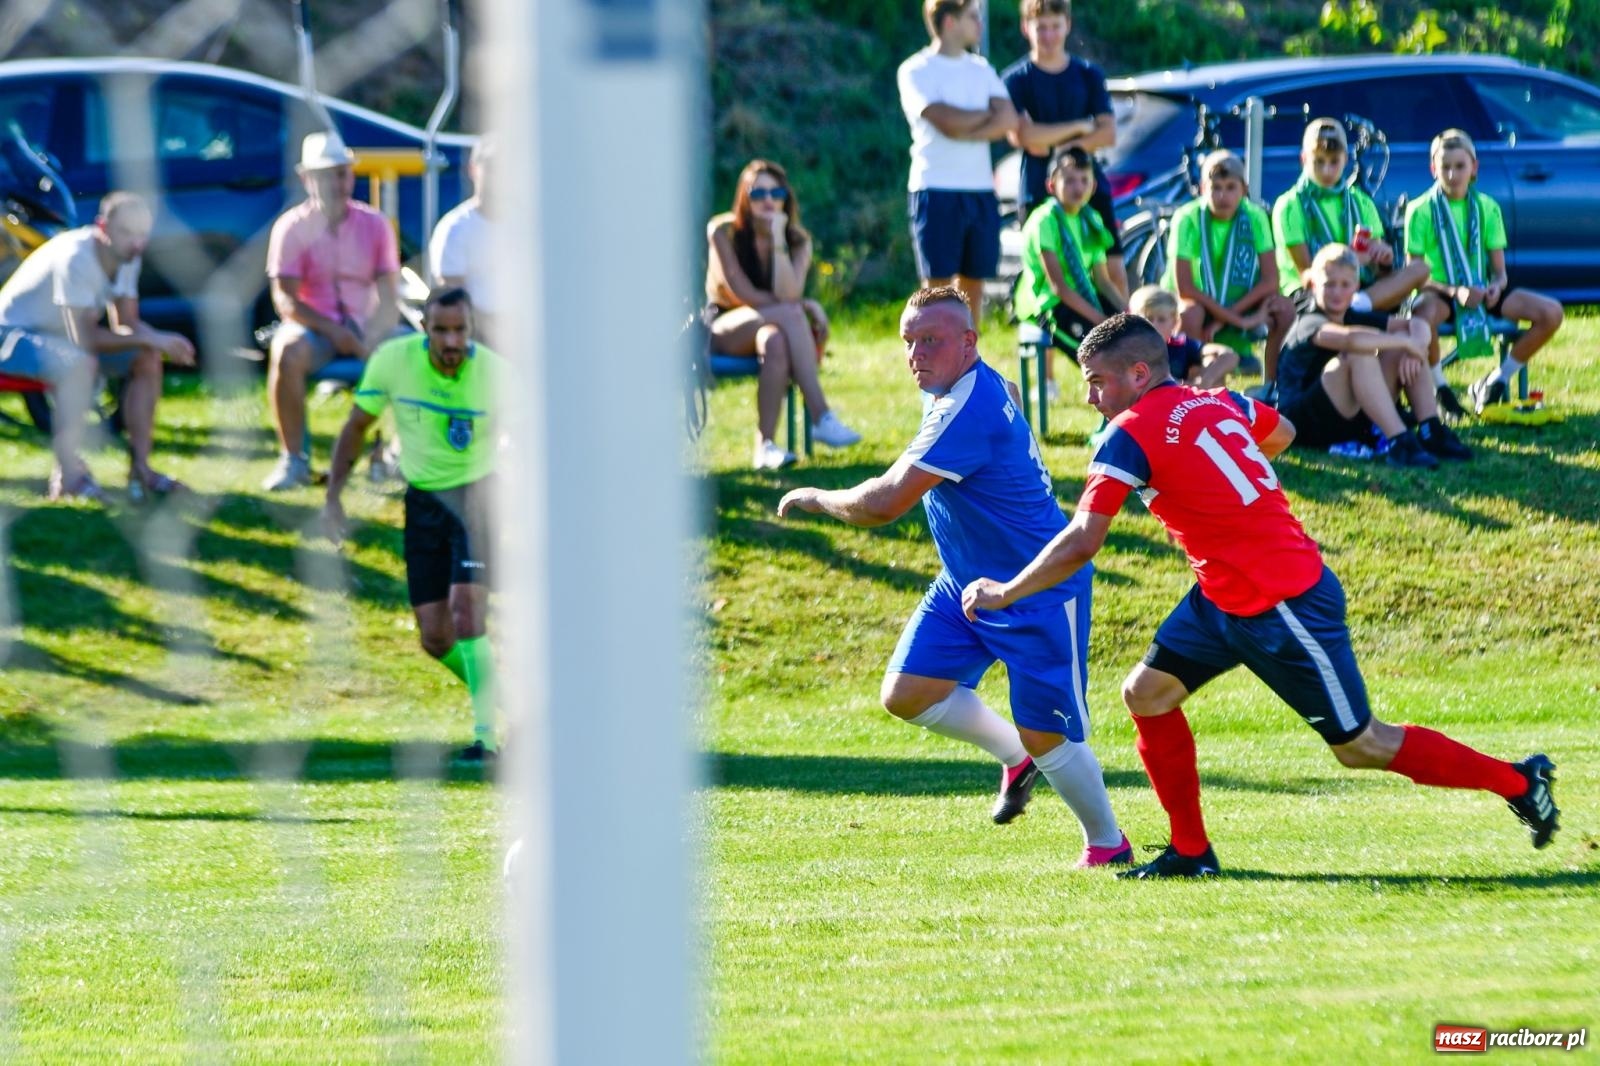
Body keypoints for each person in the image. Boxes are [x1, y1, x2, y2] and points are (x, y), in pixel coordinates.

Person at [960, 313, 1558, 879]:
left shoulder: (1127, 434)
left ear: (1138, 375)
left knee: (1361, 745)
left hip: (1284, 602)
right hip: (1221, 593)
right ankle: (1191, 851)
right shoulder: (1220, 399)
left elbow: (1081, 541)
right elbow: (1285, 432)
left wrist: (1007, 590)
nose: (1093, 397)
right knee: (1146, 694)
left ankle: (1519, 782)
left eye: (1096, 382)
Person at [776, 287, 1131, 868]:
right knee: (908, 692)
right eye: (909, 342)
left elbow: (884, 503)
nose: (917, 354)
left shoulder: (965, 407)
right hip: (965, 581)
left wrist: (816, 496)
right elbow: (1008, 394)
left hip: (1037, 586)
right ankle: (1016, 755)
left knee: (1052, 733)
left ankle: (1107, 842)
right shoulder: (963, 386)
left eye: (931, 341)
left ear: (970, 342)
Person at [321, 287, 502, 762]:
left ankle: (488, 736)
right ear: (424, 329)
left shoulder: (498, 375)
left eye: (460, 329)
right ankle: (508, 696)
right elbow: (357, 426)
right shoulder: (393, 362)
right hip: (423, 503)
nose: (451, 340)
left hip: (478, 496)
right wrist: (333, 496)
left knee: (466, 613)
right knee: (435, 636)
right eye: (441, 330)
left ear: (472, 329)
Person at [0, 191, 195, 501]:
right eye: (126, 232)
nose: (135, 242)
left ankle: (142, 471)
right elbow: (85, 340)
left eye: (142, 234)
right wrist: (152, 337)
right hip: (10, 337)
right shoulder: (76, 256)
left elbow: (126, 323)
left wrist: (157, 341)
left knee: (146, 357)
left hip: (59, 341)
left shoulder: (127, 256)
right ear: (103, 227)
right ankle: (67, 476)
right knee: (79, 363)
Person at [262, 130, 401, 491]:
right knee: (286, 351)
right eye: (326, 174)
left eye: (341, 173)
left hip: (368, 325)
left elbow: (390, 293)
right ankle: (293, 460)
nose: (336, 183)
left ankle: (402, 455)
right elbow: (286, 300)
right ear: (307, 179)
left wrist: (371, 333)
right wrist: (334, 332)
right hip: (314, 328)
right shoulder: (291, 228)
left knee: (413, 351)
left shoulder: (375, 225)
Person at [705, 159, 861, 469]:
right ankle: (820, 415)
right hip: (724, 326)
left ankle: (765, 447)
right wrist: (801, 307)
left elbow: (789, 293)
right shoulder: (722, 230)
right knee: (789, 313)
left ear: (785, 198)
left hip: (770, 328)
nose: (767, 200)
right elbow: (742, 293)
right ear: (743, 196)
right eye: (757, 193)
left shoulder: (797, 239)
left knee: (775, 343)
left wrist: (777, 239)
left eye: (775, 192)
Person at [1405, 129, 1565, 415]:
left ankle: (1496, 380)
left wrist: (1495, 287)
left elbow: (1500, 273)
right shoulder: (1420, 210)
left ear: (1474, 167)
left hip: (1482, 292)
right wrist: (1454, 291)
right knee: (1421, 315)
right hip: (1440, 293)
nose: (1453, 175)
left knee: (1551, 312)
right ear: (1433, 169)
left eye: (1460, 166)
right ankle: (1440, 389)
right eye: (1445, 167)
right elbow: (1414, 275)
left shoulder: (1487, 207)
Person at [1276, 245, 1470, 467]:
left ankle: (1431, 429)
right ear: (1312, 286)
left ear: (1356, 287)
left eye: (1345, 285)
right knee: (1360, 354)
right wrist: (1407, 343)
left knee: (1402, 347)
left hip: (1343, 416)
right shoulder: (1309, 320)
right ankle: (1400, 442)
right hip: (1302, 424)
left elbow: (1416, 324)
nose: (1337, 292)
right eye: (1329, 285)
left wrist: (1414, 348)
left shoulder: (1350, 314)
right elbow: (1351, 340)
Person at [897, 0, 1018, 318]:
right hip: (934, 189)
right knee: (936, 289)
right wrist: (983, 119)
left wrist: (966, 126)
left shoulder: (981, 68)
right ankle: (934, 361)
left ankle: (968, 362)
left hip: (979, 191)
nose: (980, 23)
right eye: (972, 17)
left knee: (973, 284)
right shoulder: (915, 69)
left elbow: (1007, 118)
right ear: (950, 22)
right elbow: (943, 120)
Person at [1001, 0, 1127, 297]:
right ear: (1025, 28)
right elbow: (1023, 137)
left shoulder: (1088, 74)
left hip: (1088, 181)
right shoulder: (1017, 79)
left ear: (1067, 25)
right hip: (1037, 186)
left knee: (1112, 269)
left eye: (1054, 27)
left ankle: (1125, 341)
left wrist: (1053, 145)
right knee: (1050, 279)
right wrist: (1080, 127)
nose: (1048, 36)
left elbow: (1107, 134)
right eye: (1040, 28)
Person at [1271, 118, 1430, 313]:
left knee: (1420, 270)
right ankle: (1356, 308)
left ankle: (1357, 305)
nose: (1327, 170)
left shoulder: (1360, 201)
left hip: (1359, 289)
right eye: (1318, 162)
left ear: (1346, 159)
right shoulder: (1289, 205)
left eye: (1334, 161)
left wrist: (1383, 260)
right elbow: (1306, 275)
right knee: (1396, 330)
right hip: (1315, 294)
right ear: (1304, 159)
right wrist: (1351, 260)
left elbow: (1377, 272)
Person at [1165, 150, 1294, 382]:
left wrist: (1224, 320)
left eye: (1231, 187)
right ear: (1203, 188)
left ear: (1244, 189)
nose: (1223, 196)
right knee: (1190, 313)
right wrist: (1239, 321)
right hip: (1200, 303)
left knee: (1284, 309)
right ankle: (1197, 385)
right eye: (1216, 188)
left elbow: (1271, 281)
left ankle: (1272, 387)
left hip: (1238, 304)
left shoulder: (1255, 217)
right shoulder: (1187, 218)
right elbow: (1185, 288)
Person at [1012, 147, 1124, 399]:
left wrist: (1126, 312)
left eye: (1084, 180)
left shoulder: (1090, 219)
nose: (1078, 187)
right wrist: (1099, 320)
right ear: (1051, 185)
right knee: (1101, 357)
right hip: (1047, 306)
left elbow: (1103, 281)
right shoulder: (1044, 220)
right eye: (1070, 180)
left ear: (1094, 186)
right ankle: (1108, 417)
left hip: (1081, 299)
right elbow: (1058, 287)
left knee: (1128, 339)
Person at [429, 135, 498, 343]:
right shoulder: (454, 228)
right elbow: (453, 303)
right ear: (473, 170)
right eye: (492, 167)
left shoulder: (528, 225)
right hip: (474, 340)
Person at [1128, 285, 1236, 390]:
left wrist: (1205, 380)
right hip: (1144, 403)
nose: (1154, 325)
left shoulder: (1179, 344)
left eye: (1161, 319)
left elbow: (1229, 355)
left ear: (1174, 323)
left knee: (1210, 361)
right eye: (1148, 318)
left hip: (1179, 402)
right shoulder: (1130, 348)